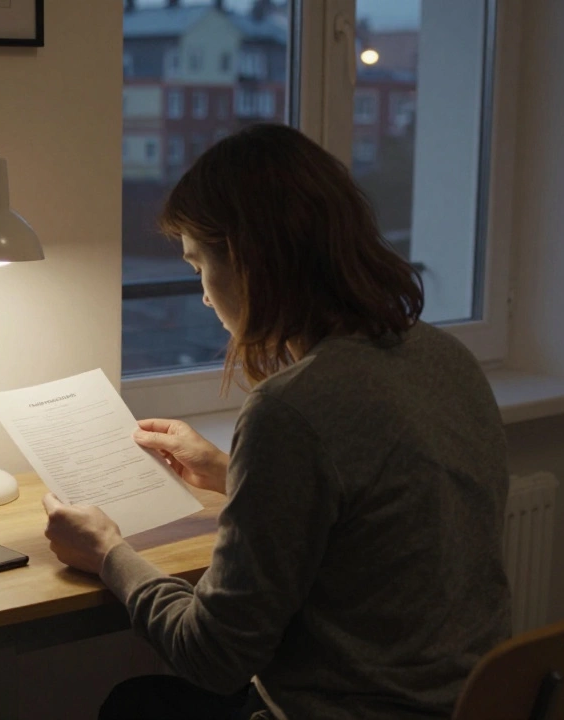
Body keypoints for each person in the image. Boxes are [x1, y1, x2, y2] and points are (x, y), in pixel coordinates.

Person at [42, 123, 511, 720]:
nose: (205, 296)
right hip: (465, 703)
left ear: (245, 260)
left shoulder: (292, 409)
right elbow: (373, 519)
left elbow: (213, 657)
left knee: (134, 707)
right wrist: (230, 471)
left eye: (198, 266)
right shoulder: (445, 358)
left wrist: (107, 551)